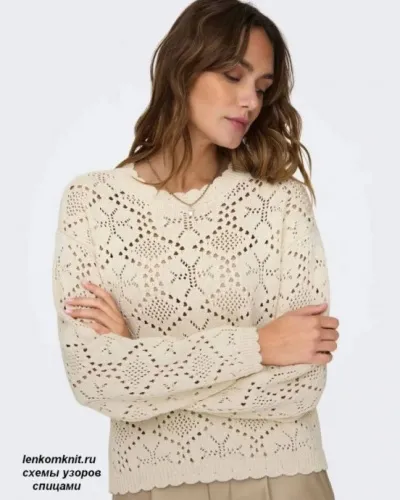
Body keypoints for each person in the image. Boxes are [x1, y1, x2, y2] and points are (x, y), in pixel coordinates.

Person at [51, 0, 340, 499]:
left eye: (262, 87)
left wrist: (140, 362)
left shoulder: (280, 202)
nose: (250, 101)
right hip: (150, 483)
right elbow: (94, 378)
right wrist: (259, 346)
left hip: (284, 477)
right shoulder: (92, 203)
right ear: (183, 69)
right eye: (233, 76)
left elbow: (299, 386)